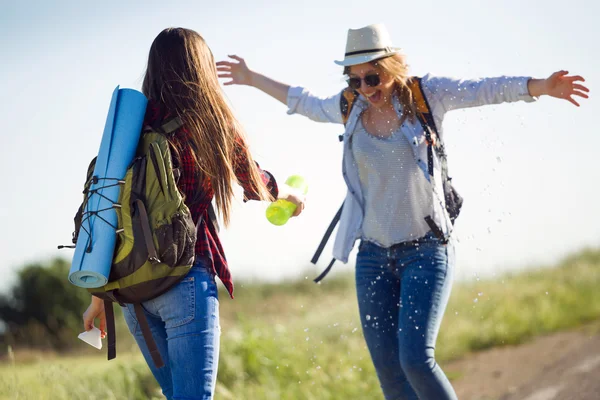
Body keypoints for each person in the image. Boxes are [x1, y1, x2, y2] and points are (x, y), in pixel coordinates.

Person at [216, 23, 589, 399]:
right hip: (373, 256)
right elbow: (304, 101)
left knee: (415, 360)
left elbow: (483, 89)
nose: (365, 88)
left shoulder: (426, 95)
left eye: (372, 77)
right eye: (355, 80)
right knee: (391, 375)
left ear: (391, 67)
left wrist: (540, 86)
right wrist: (250, 78)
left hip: (426, 251)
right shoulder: (350, 107)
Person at [81, 27, 305, 400]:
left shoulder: (131, 127)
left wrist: (98, 297)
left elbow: (109, 208)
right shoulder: (207, 121)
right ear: (202, 68)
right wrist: (289, 195)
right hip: (186, 277)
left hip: (133, 289)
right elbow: (252, 179)